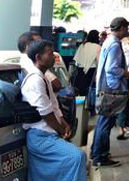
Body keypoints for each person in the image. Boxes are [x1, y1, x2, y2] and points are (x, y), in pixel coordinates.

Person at [21, 40, 87, 181]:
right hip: (40, 136)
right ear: (38, 57)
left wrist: (63, 122)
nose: (54, 57)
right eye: (50, 53)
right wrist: (61, 129)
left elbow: (54, 106)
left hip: (48, 134)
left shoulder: (43, 77)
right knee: (77, 156)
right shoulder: (35, 80)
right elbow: (46, 113)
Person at [90, 17, 129, 168]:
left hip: (106, 88)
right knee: (105, 124)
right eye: (126, 27)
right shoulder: (115, 45)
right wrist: (128, 74)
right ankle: (100, 157)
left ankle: (96, 152)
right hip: (111, 89)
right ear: (121, 28)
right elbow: (112, 69)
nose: (127, 30)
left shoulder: (109, 41)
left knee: (102, 123)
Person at [72, 29, 101, 96]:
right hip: (92, 71)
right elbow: (99, 62)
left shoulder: (82, 45)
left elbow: (76, 59)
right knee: (90, 91)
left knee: (81, 91)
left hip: (80, 71)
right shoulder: (98, 47)